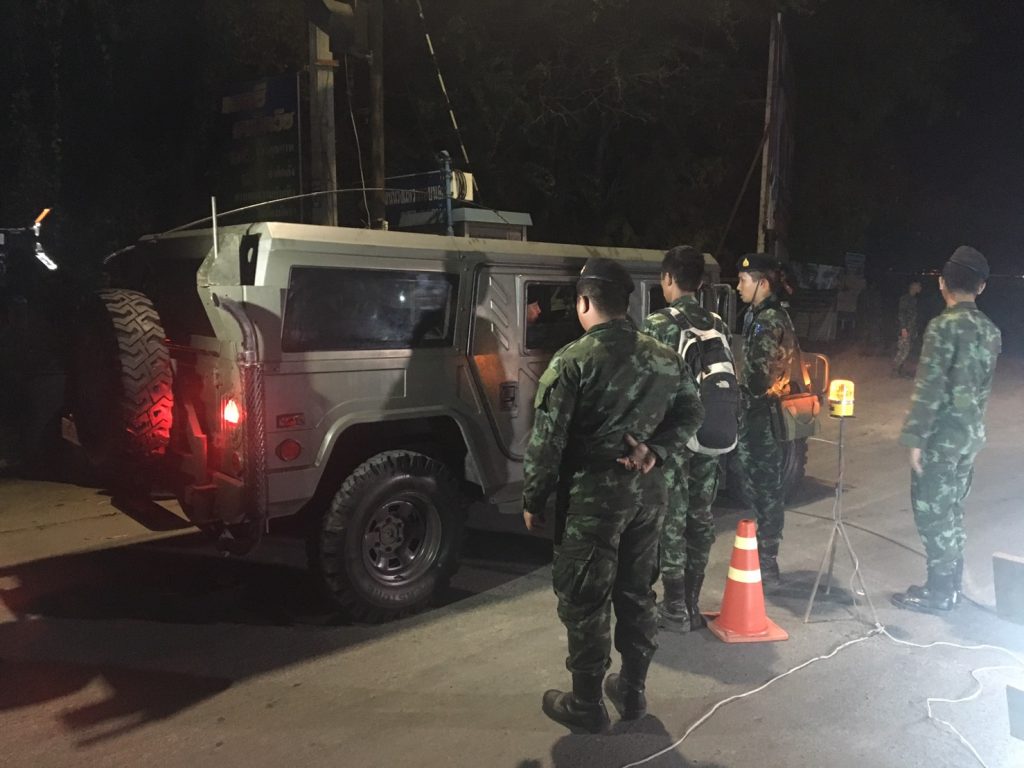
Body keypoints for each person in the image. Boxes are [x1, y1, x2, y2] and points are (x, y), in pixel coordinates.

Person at [522, 257, 703, 733]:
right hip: (648, 496)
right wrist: (657, 451)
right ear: (627, 304)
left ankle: (586, 704)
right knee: (638, 593)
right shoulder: (665, 356)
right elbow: (692, 412)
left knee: (586, 599)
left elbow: (548, 441)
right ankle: (633, 691)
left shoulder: (574, 360)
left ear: (584, 302)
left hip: (593, 502)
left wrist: (533, 499)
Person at [892, 247, 1001, 613]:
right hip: (969, 437)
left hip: (941, 438)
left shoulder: (942, 327)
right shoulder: (991, 331)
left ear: (942, 283)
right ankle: (950, 584)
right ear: (981, 287)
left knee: (932, 514)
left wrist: (915, 438)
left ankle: (939, 592)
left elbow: (930, 389)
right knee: (952, 510)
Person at [641, 245, 730, 632]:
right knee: (700, 514)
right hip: (710, 432)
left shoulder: (657, 324)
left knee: (671, 517)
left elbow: (643, 386)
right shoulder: (718, 323)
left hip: (672, 437)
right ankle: (692, 603)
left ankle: (674, 607)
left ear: (668, 279)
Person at [735, 253, 799, 585]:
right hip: (756, 411)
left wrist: (736, 391)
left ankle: (768, 559)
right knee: (757, 483)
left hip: (762, 413)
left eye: (744, 280)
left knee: (765, 486)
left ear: (762, 283)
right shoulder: (755, 316)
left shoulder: (767, 320)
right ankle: (764, 554)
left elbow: (757, 379)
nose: (738, 286)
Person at [892, 280, 922, 377]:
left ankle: (899, 370)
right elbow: (901, 314)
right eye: (918, 286)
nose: (920, 288)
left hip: (910, 328)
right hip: (905, 329)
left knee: (906, 350)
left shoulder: (913, 299)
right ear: (913, 287)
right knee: (903, 350)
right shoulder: (905, 299)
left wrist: (914, 330)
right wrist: (903, 329)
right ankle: (895, 370)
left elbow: (913, 317)